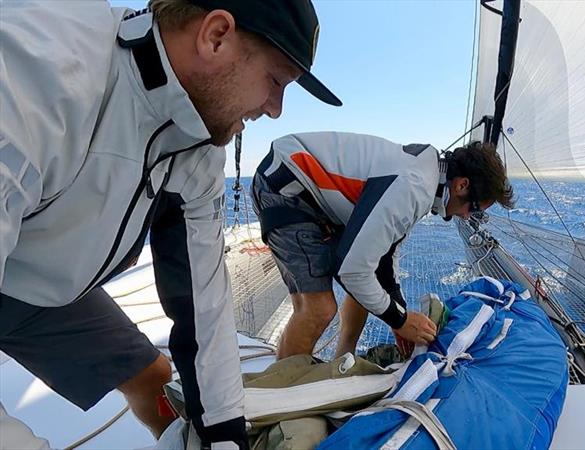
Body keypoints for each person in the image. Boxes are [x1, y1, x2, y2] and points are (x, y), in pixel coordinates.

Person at [0, 1, 340, 448]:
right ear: (216, 35)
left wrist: (224, 435)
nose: (275, 109)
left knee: (156, 381)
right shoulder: (38, 71)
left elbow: (204, 303)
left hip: (42, 280)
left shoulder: (197, 144)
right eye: (275, 82)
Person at [250, 132, 514, 361]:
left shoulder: (427, 174)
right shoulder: (414, 185)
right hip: (287, 187)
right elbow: (351, 271)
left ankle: (343, 358)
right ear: (462, 185)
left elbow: (383, 257)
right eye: (475, 208)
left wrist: (397, 313)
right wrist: (400, 319)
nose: (468, 216)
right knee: (318, 309)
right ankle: (281, 391)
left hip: (310, 192)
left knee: (367, 277)